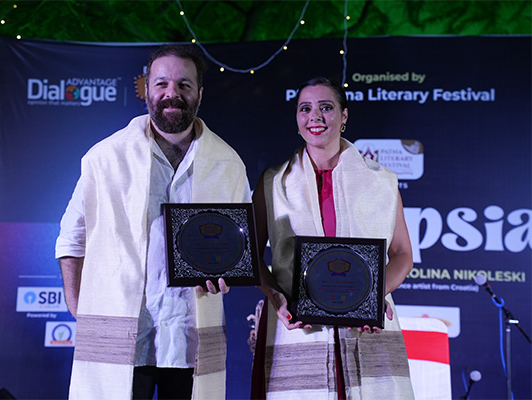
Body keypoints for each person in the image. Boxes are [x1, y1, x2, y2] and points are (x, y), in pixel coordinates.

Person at [55, 44, 251, 400]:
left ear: (200, 93)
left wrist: (227, 272)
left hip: (189, 337)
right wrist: (77, 306)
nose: (171, 93)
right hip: (121, 337)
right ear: (147, 89)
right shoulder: (105, 158)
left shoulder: (228, 163)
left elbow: (239, 243)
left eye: (184, 85)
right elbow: (72, 237)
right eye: (161, 84)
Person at [251, 77, 414, 399]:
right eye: (305, 108)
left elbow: (402, 253)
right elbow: (251, 256)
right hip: (299, 328)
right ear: (297, 118)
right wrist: (276, 298)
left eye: (326, 107)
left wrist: (370, 296)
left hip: (366, 327)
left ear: (344, 116)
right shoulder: (273, 182)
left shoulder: (381, 181)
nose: (315, 116)